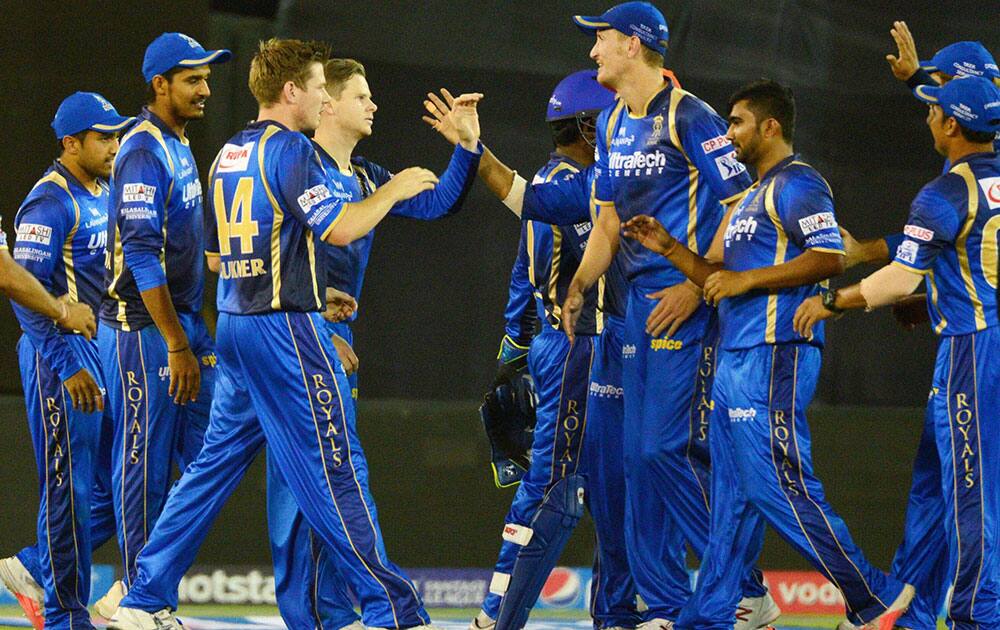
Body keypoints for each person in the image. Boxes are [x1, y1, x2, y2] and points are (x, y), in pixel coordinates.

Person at [108, 37, 481, 629]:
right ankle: (393, 610)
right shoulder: (294, 152)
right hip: (287, 331)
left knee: (213, 467)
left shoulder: (229, 151)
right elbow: (339, 228)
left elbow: (216, 257)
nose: (321, 98)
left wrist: (304, 283)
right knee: (337, 466)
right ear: (292, 92)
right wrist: (394, 190)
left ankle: (141, 595)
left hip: (236, 323)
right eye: (316, 87)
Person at [622, 78, 914, 630]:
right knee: (729, 505)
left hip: (775, 355)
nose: (728, 134)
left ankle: (874, 594)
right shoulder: (750, 198)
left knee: (774, 483)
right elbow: (721, 283)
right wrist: (670, 248)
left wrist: (748, 278)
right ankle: (708, 617)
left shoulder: (799, 184)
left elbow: (830, 256)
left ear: (770, 127)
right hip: (736, 358)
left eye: (736, 122)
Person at [563, 3, 773, 627]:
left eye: (600, 39)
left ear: (632, 44)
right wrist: (578, 283)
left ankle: (744, 589)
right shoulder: (606, 124)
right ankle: (667, 604)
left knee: (663, 452)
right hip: (634, 311)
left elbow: (745, 205)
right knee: (635, 463)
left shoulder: (691, 114)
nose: (593, 51)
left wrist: (695, 278)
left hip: (684, 308)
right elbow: (605, 220)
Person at [267, 56, 482, 630]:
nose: (374, 104)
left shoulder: (361, 177)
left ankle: (335, 612)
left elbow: (436, 205)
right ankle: (320, 615)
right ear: (327, 104)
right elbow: (267, 255)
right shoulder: (297, 165)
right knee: (305, 481)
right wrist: (313, 324)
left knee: (326, 478)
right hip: (292, 334)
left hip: (331, 338)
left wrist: (466, 148)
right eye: (361, 96)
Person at [795, 74, 1000, 630]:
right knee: (937, 485)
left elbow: (895, 278)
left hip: (973, 353)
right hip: (975, 344)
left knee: (972, 493)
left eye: (934, 110)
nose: (928, 118)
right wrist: (932, 295)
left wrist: (832, 303)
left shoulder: (948, 191)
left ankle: (977, 617)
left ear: (951, 124)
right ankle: (908, 614)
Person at [96, 32, 231, 613]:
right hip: (142, 332)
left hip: (184, 330)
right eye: (192, 79)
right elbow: (145, 256)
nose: (205, 89)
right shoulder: (144, 151)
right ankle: (137, 600)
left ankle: (134, 589)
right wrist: (178, 342)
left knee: (206, 457)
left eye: (207, 77)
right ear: (160, 84)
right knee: (143, 468)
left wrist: (200, 329)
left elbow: (188, 250)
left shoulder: (178, 144)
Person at [0, 92, 131, 630]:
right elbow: (17, 289)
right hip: (58, 354)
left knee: (112, 485)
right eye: (103, 137)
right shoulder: (49, 202)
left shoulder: (103, 190)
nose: (114, 146)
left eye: (117, 135)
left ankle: (30, 567)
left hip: (97, 350)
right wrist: (64, 363)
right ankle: (64, 616)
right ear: (70, 142)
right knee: (68, 486)